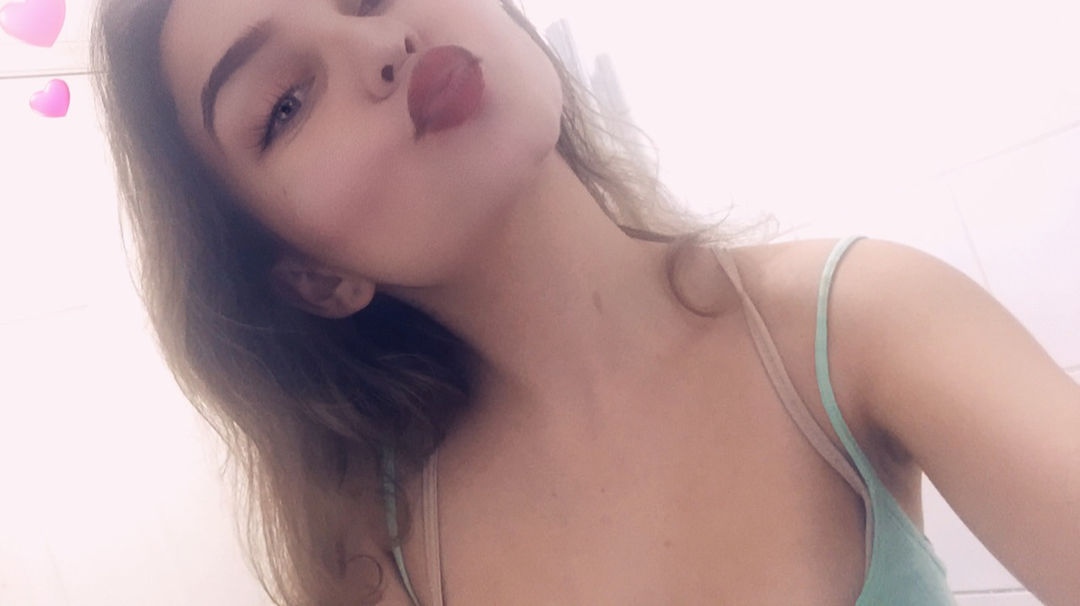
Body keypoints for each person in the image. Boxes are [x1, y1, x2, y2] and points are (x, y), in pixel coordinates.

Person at [89, 0, 1079, 604]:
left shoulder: (856, 322)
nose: (382, 44)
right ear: (312, 278)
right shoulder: (379, 554)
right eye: (286, 103)